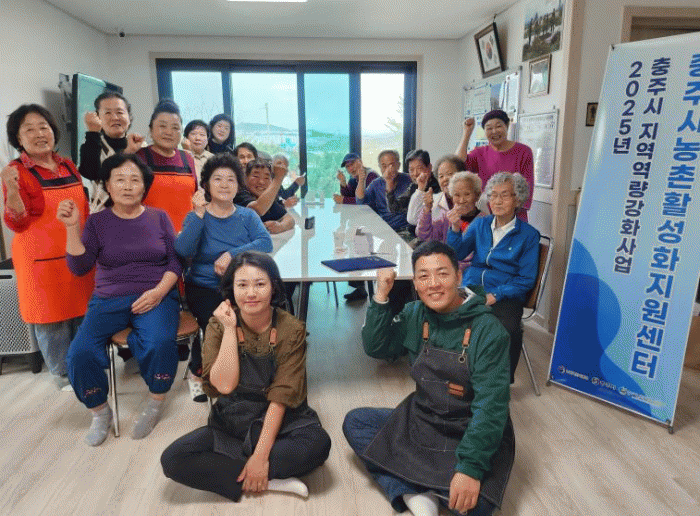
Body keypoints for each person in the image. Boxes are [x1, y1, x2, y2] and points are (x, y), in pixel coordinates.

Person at [343, 241, 514, 516]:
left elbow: (491, 408)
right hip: (422, 419)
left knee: (478, 507)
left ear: (459, 276)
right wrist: (381, 296)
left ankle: (414, 487)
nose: (433, 284)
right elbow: (377, 347)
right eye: (423, 276)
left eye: (442, 274)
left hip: (467, 429)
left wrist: (469, 469)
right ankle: (420, 495)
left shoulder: (489, 331)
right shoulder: (414, 314)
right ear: (415, 282)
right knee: (356, 422)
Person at [161, 251, 331, 502]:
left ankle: (247, 472)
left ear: (274, 287)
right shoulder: (218, 324)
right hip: (233, 422)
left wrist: (260, 456)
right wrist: (230, 330)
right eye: (242, 285)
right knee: (173, 459)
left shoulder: (291, 329)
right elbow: (223, 386)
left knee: (318, 444)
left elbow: (281, 398)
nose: (251, 293)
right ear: (231, 289)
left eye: (260, 284)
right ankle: (270, 480)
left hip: (282, 422)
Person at [58, 153, 182, 445]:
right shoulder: (97, 222)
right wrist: (72, 227)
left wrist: (159, 292)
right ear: (108, 186)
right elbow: (80, 267)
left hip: (156, 294)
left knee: (159, 342)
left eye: (135, 180)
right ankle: (100, 412)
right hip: (108, 298)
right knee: (79, 353)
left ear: (144, 187)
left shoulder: (159, 217)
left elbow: (176, 262)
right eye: (120, 179)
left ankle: (155, 404)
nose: (127, 186)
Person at [2, 104, 94, 391]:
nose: (39, 134)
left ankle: (84, 366)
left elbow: (83, 207)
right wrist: (12, 191)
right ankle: (63, 375)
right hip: (39, 261)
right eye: (29, 129)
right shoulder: (15, 172)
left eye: (43, 127)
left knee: (82, 314)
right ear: (18, 139)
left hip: (75, 253)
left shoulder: (67, 165)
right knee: (51, 321)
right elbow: (17, 222)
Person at [175, 153, 273, 402]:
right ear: (206, 185)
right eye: (217, 179)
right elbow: (183, 250)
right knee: (216, 325)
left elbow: (265, 242)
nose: (224, 184)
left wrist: (231, 254)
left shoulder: (247, 216)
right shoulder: (196, 216)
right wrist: (198, 215)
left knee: (254, 322)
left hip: (240, 286)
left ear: (238, 185)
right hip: (204, 286)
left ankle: (242, 375)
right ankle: (198, 372)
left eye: (231, 179)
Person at [446, 172, 539, 383]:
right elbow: (458, 254)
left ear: (518, 199)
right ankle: (454, 374)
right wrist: (454, 228)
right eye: (493, 195)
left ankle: (499, 383)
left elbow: (525, 279)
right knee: (444, 315)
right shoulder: (480, 224)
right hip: (472, 287)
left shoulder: (528, 235)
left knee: (506, 329)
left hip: (505, 294)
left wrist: (495, 295)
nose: (497, 201)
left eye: (504, 195)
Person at [455, 110, 534, 221]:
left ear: (507, 126)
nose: (494, 131)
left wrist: (510, 212)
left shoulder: (524, 151)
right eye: (489, 128)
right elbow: (457, 163)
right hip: (486, 213)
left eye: (498, 126)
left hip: (514, 214)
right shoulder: (480, 153)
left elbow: (528, 186)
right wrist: (467, 132)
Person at [136, 99, 197, 232]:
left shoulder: (187, 159)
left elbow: (195, 199)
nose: (169, 132)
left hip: (185, 238)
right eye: (162, 126)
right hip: (149, 237)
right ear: (151, 129)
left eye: (175, 127)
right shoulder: (139, 158)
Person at [79, 91, 144, 213]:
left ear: (129, 117)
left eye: (120, 112)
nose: (114, 117)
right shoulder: (91, 144)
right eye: (107, 113)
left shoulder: (141, 146)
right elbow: (91, 174)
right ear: (98, 117)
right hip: (103, 216)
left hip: (136, 214)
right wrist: (93, 132)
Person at [356, 148, 413, 237]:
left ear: (398, 165)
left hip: (406, 228)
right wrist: (361, 180)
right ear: (380, 167)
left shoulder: (409, 179)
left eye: (391, 165)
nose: (388, 169)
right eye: (384, 166)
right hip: (385, 229)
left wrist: (389, 181)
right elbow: (361, 201)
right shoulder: (376, 184)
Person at [408, 154, 466, 240]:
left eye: (449, 174)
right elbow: (412, 220)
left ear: (462, 175)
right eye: (441, 176)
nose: (445, 179)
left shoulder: (474, 199)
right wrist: (421, 190)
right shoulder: (434, 200)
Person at [234, 159, 294, 234]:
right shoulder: (240, 194)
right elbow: (257, 209)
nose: (261, 182)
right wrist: (278, 178)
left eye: (266, 178)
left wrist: (280, 226)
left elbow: (289, 218)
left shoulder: (267, 200)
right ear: (245, 178)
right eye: (256, 176)